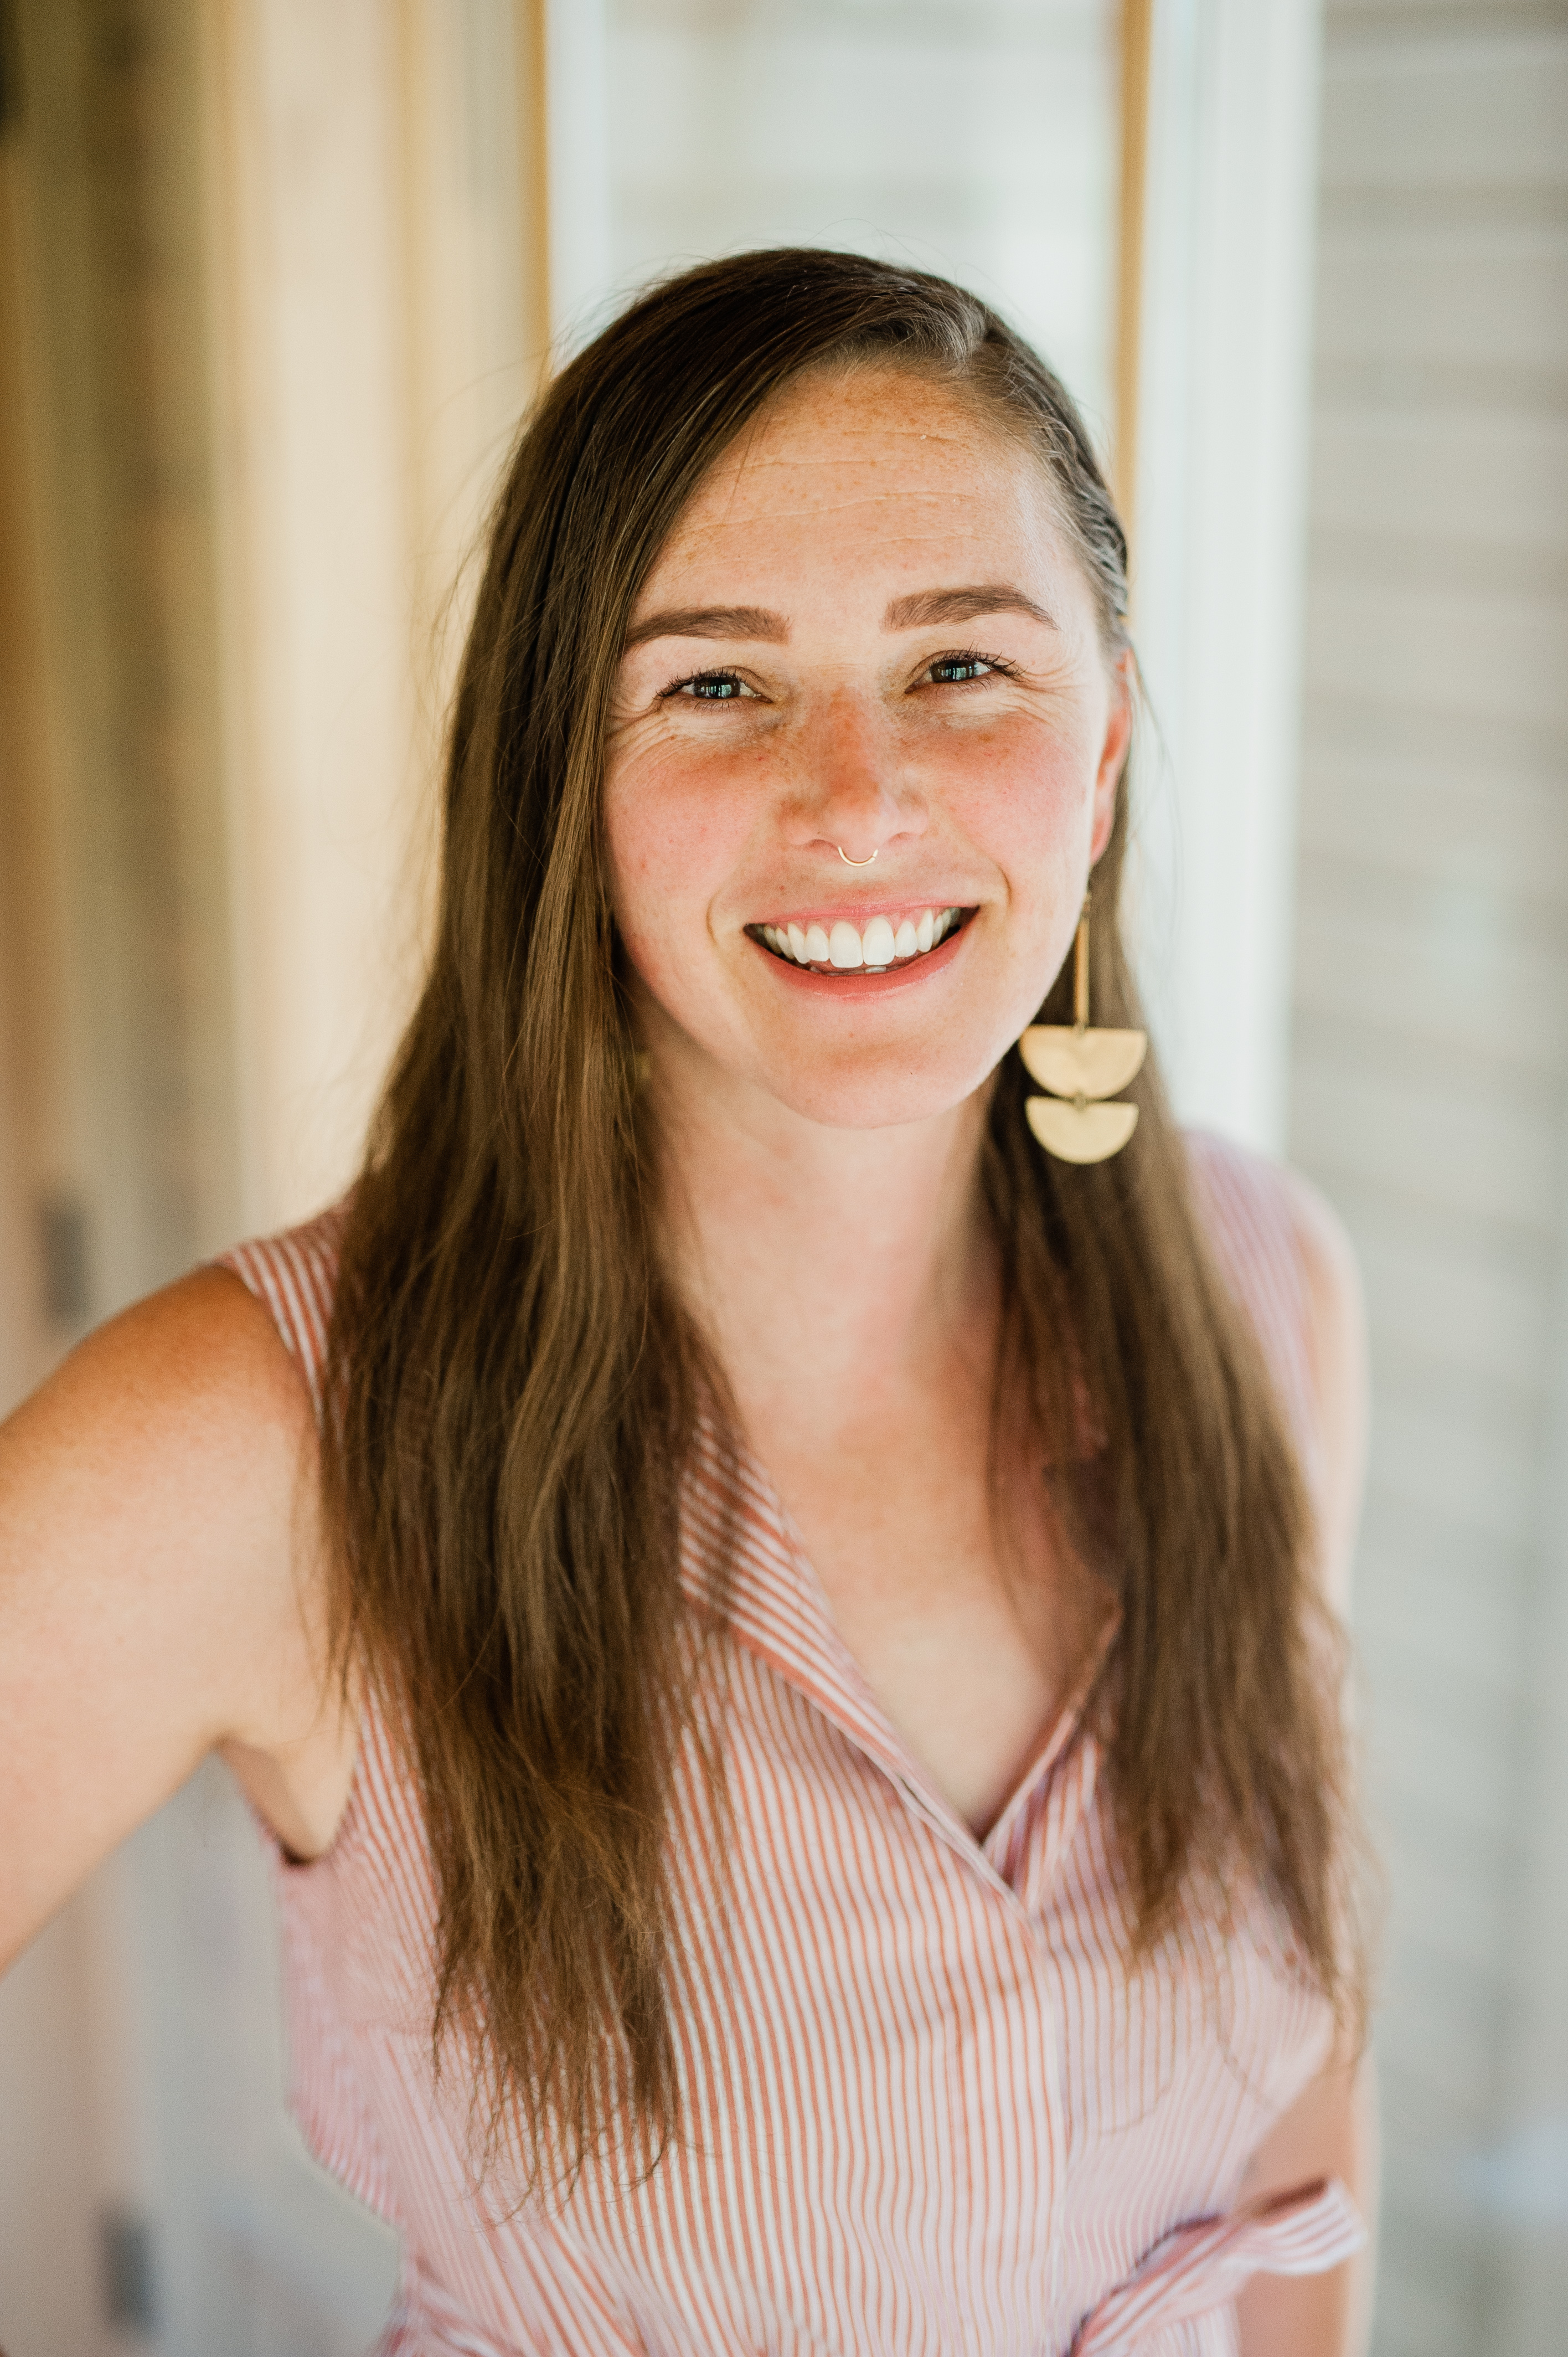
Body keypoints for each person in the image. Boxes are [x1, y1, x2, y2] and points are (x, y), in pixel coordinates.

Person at [1, 250, 1374, 2355]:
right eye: (716, 685)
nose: (856, 797)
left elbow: (1299, 2164)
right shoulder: (258, 1440)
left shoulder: (1268, 1298)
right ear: (569, 787)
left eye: (964, 670)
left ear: (1096, 771)